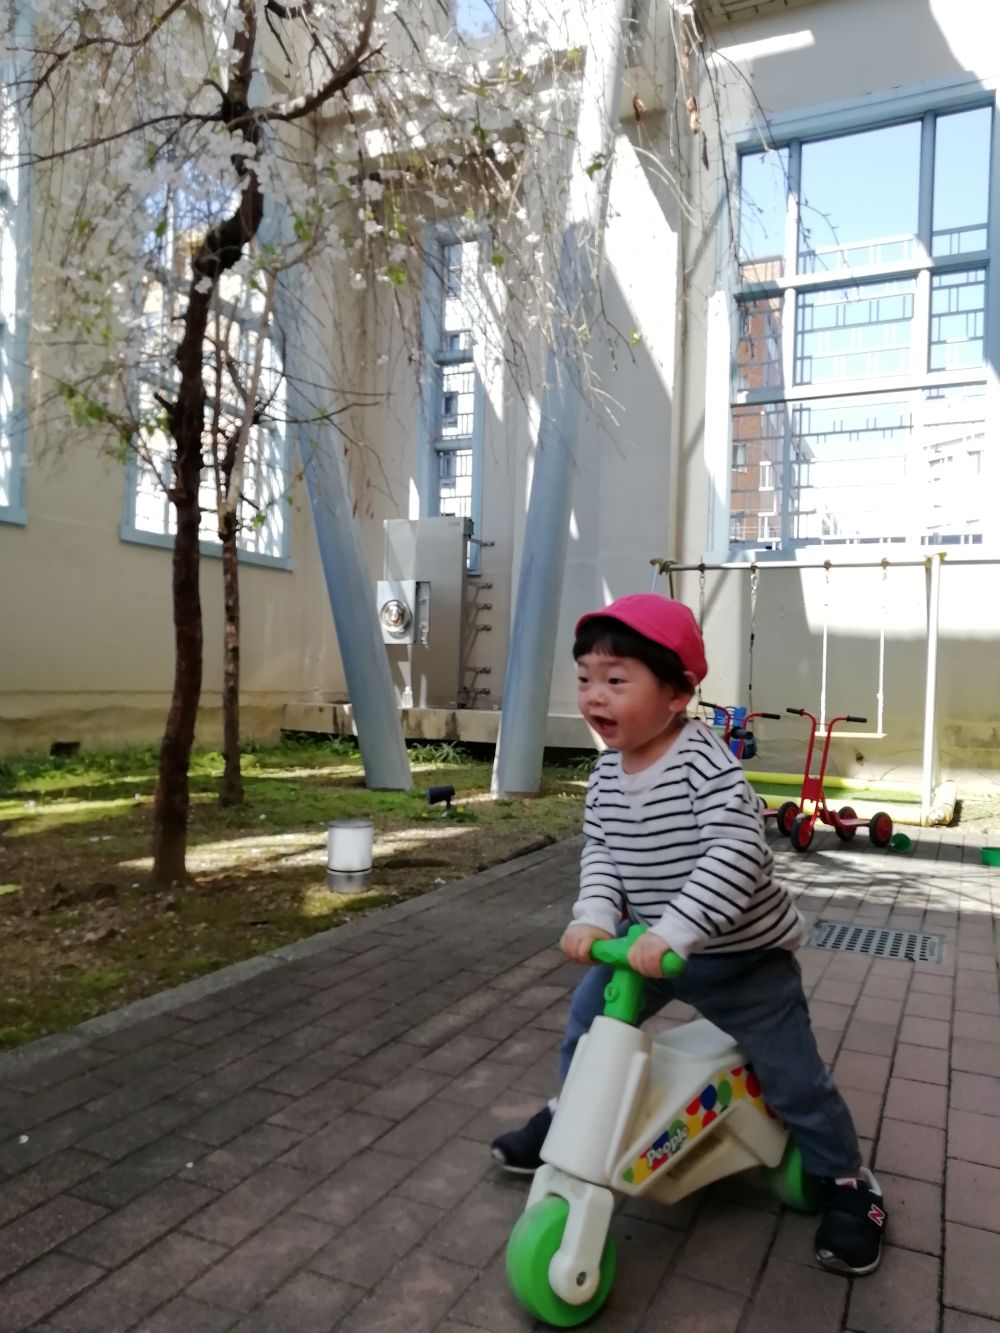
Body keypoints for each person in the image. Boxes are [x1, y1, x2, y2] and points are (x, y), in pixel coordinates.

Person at [491, 593, 888, 1276]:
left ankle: (850, 1181)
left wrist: (676, 929)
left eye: (617, 680)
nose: (594, 695)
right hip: (651, 949)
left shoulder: (705, 764)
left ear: (677, 694)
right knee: (589, 1028)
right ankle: (570, 1115)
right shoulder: (605, 775)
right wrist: (595, 915)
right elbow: (603, 854)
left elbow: (737, 851)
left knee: (792, 1076)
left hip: (743, 956)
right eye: (585, 678)